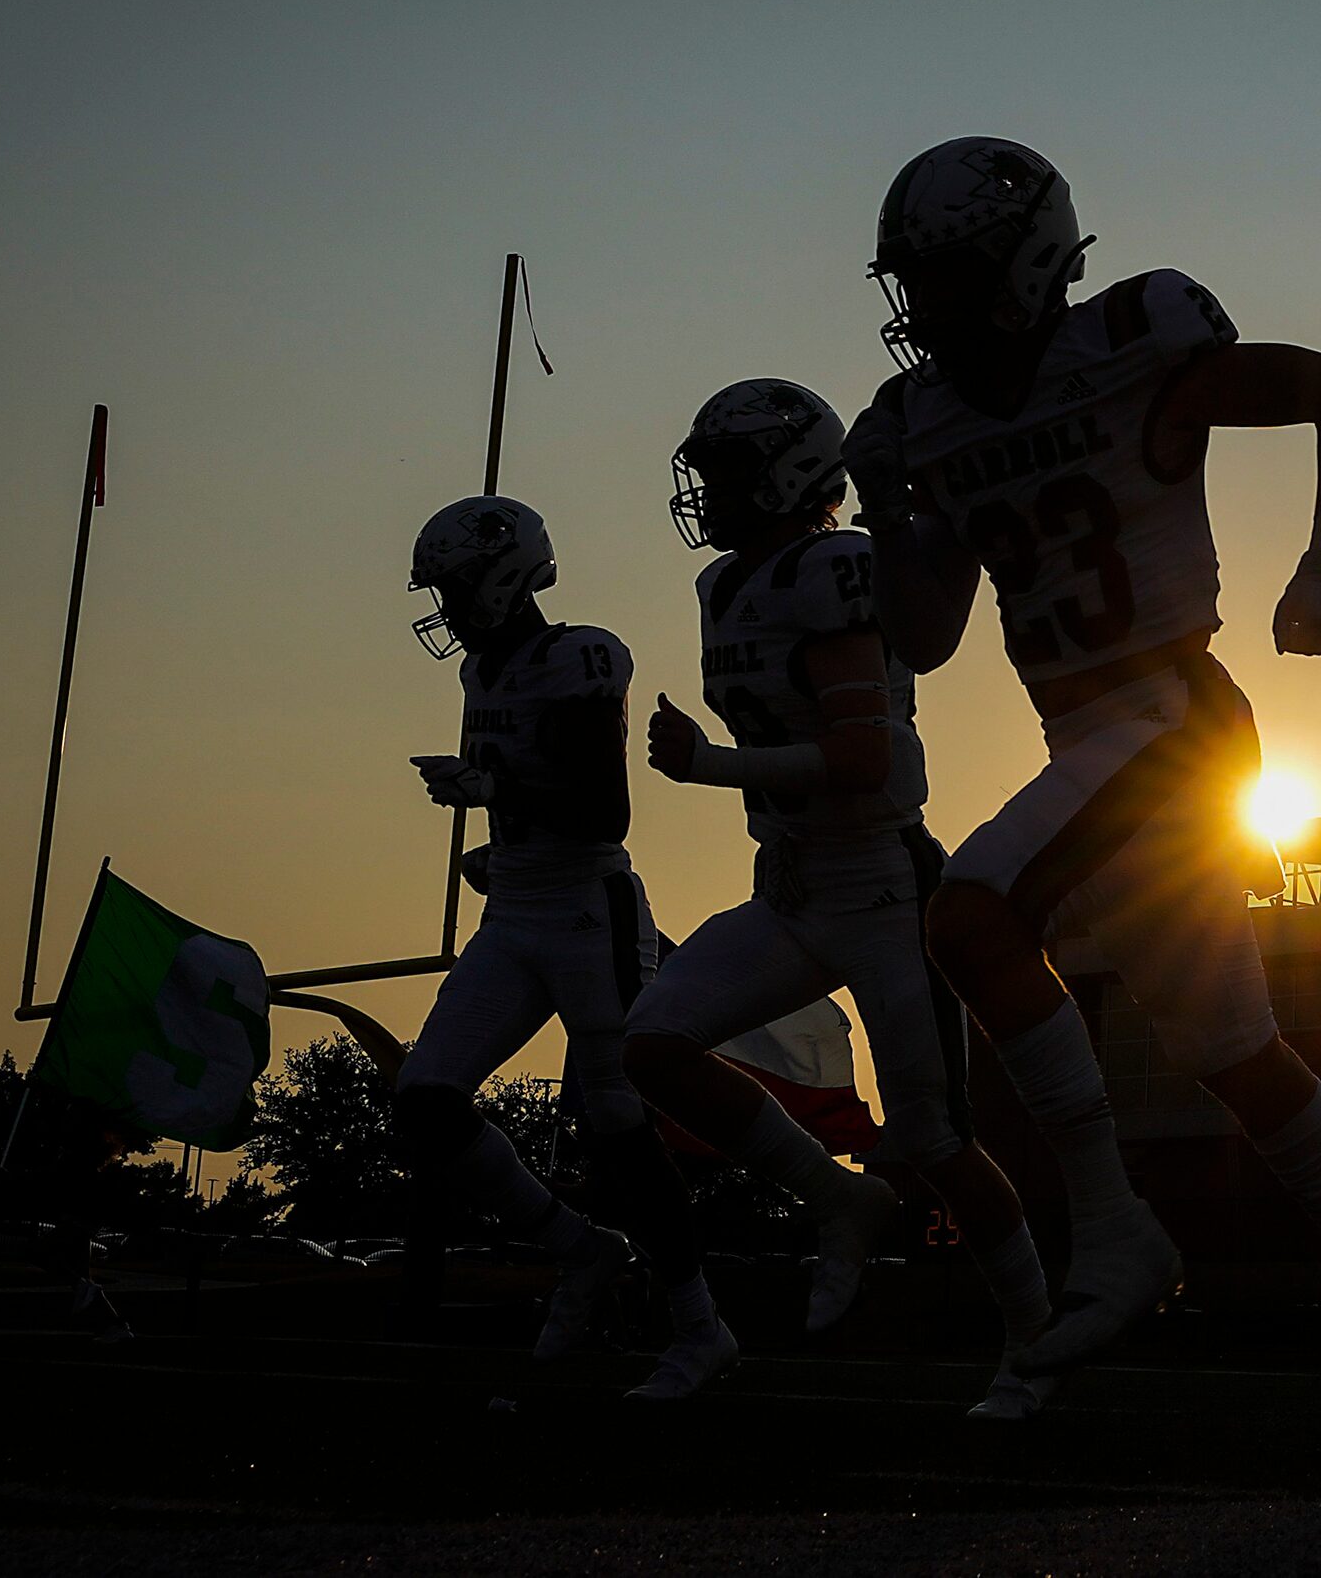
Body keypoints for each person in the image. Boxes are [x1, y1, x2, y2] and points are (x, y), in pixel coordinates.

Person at [842, 137, 1321, 1428]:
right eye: (919, 283)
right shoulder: (926, 420)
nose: (927, 310)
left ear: (1024, 265)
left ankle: (1114, 1226)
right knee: (1234, 1048)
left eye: (949, 278)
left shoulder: (1132, 345)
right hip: (1089, 745)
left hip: (1174, 716)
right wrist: (889, 513)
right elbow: (929, 629)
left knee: (968, 913)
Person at [621, 380, 1051, 1414]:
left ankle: (1039, 1341)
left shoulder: (837, 566)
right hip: (790, 887)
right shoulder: (724, 583)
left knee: (937, 1139)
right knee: (652, 1044)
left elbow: (862, 757)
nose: (711, 493)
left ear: (787, 473)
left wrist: (710, 764)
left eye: (728, 471)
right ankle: (837, 1201)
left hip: (884, 892)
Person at [391, 495, 714, 1369]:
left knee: (618, 1121)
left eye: (455, 586)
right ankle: (584, 1252)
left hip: (585, 912)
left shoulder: (577, 656)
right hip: (518, 912)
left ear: (502, 574)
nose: (448, 608)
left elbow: (602, 810)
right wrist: (502, 847)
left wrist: (494, 796)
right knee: (425, 1099)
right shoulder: (481, 672)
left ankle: (696, 1324)